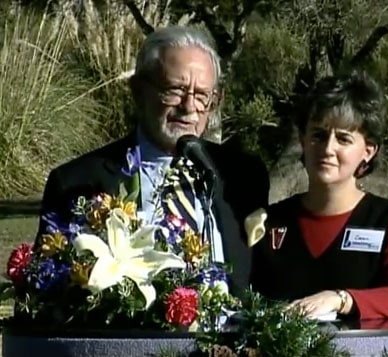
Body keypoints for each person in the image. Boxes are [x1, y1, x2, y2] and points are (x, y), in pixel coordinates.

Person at [35, 25, 269, 297]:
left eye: (202, 95)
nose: (189, 106)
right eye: (175, 90)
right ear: (138, 90)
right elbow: (47, 296)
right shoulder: (76, 183)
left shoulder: (244, 176)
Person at [249, 71, 388, 320]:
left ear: (368, 151)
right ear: (302, 139)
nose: (328, 148)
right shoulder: (268, 224)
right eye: (318, 135)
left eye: (343, 139)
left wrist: (341, 300)